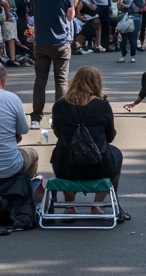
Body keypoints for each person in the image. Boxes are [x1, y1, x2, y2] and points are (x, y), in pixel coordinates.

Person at [50, 66, 124, 216]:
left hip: (67, 167)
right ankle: (96, 205)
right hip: (98, 166)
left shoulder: (60, 105)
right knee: (116, 154)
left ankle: (69, 206)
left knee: (62, 152)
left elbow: (58, 133)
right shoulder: (102, 105)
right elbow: (109, 137)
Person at [30, 0, 74, 129]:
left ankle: (36, 117)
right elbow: (70, 16)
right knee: (61, 81)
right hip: (60, 39)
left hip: (41, 39)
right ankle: (59, 117)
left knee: (40, 80)